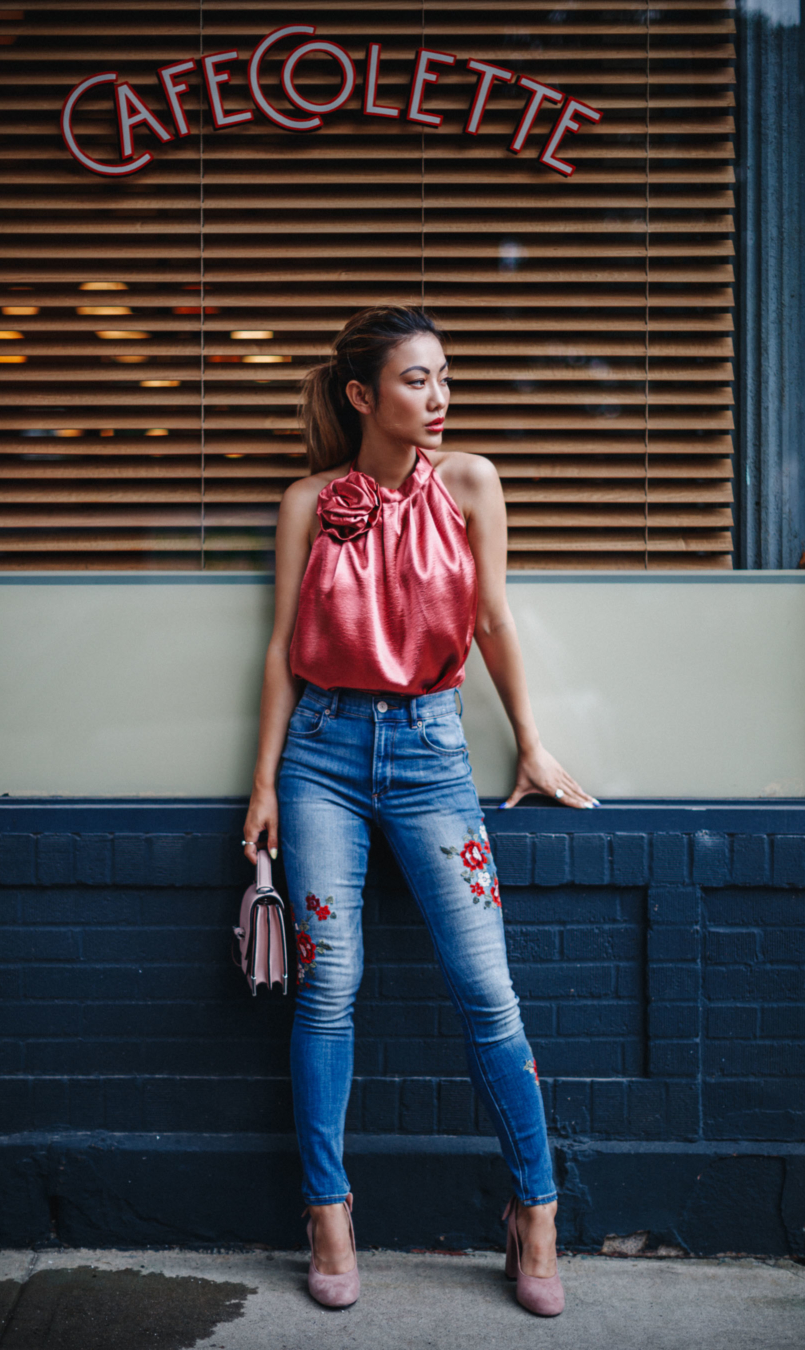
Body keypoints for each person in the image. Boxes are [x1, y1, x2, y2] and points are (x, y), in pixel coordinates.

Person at [241, 305, 597, 1316]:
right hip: (323, 754)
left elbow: (491, 617)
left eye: (445, 379)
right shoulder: (308, 501)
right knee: (329, 985)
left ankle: (535, 1211)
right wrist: (264, 780)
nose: (438, 399)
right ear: (362, 395)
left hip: (435, 752)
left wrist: (529, 740)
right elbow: (281, 649)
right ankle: (328, 1211)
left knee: (487, 989)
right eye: (416, 380)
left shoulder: (473, 482)